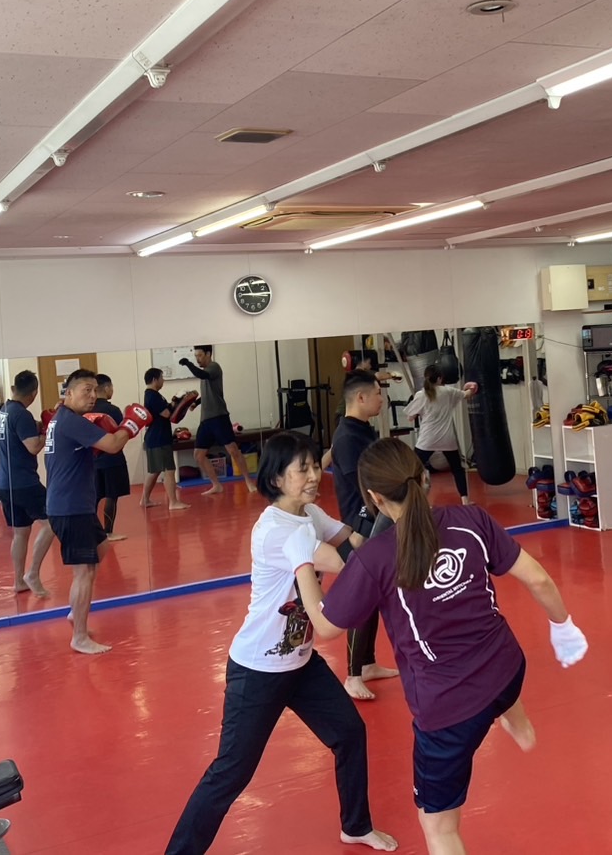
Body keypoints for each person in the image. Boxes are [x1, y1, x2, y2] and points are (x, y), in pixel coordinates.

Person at [298, 438, 589, 855]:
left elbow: (325, 626)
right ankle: (519, 723)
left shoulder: (375, 558)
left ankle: (512, 721)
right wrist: (564, 627)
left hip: (448, 710)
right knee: (496, 681)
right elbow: (538, 579)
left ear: (375, 498)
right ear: (423, 478)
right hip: (509, 669)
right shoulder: (471, 519)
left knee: (439, 828)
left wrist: (302, 565)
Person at [162, 432, 397, 855]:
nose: (314, 475)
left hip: (300, 664)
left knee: (349, 733)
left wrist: (388, 515)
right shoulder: (276, 531)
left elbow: (355, 542)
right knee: (231, 773)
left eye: (314, 465)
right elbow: (346, 562)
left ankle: (356, 825)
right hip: (258, 670)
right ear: (276, 478)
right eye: (302, 469)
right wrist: (389, 533)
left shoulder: (309, 514)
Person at [44, 368, 150, 655]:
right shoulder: (71, 422)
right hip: (71, 507)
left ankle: (75, 610)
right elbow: (113, 445)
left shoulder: (62, 419)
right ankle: (79, 636)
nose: (92, 396)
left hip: (74, 504)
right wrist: (131, 424)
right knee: (85, 571)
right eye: (85, 390)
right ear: (68, 393)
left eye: (94, 390)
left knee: (101, 549)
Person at [330, 370, 398, 701]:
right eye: (377, 394)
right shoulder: (348, 438)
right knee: (362, 600)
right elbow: (363, 489)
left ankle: (367, 663)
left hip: (374, 520)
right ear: (360, 398)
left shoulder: (361, 430)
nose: (381, 399)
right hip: (360, 527)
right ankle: (352, 675)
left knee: (375, 598)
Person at [0, 370, 56, 596]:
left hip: (5, 484)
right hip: (24, 483)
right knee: (52, 522)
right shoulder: (22, 414)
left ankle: (18, 580)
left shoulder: (4, 411)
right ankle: (33, 573)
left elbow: (19, 433)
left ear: (14, 389)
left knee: (21, 532)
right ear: (34, 393)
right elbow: (33, 447)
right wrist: (49, 431)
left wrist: (40, 424)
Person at [179, 345, 251, 495]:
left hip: (219, 417)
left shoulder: (214, 367)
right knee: (198, 455)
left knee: (233, 450)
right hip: (206, 420)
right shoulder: (206, 372)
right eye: (195, 356)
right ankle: (216, 485)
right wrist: (196, 403)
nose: (197, 359)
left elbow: (201, 375)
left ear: (208, 354)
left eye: (199, 356)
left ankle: (248, 481)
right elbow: (210, 393)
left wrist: (188, 364)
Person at [403, 364, 479, 504]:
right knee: (457, 469)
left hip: (427, 440)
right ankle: (465, 500)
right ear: (439, 378)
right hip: (447, 439)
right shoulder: (448, 391)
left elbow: (410, 417)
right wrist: (473, 386)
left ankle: (409, 500)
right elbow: (467, 394)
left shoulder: (421, 395)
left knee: (411, 469)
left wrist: (422, 412)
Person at [141, 367, 187, 510]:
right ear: (155, 379)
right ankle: (173, 502)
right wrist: (180, 403)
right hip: (159, 438)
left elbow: (167, 408)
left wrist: (176, 401)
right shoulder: (152, 396)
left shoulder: (153, 395)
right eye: (162, 378)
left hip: (156, 438)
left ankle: (144, 500)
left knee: (154, 471)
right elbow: (167, 414)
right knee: (169, 470)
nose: (163, 381)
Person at [92, 374, 130, 541]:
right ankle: (108, 532)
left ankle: (90, 531)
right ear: (107, 388)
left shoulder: (88, 409)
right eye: (112, 387)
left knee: (94, 497)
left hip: (92, 461)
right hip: (112, 459)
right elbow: (123, 434)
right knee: (111, 496)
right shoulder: (113, 410)